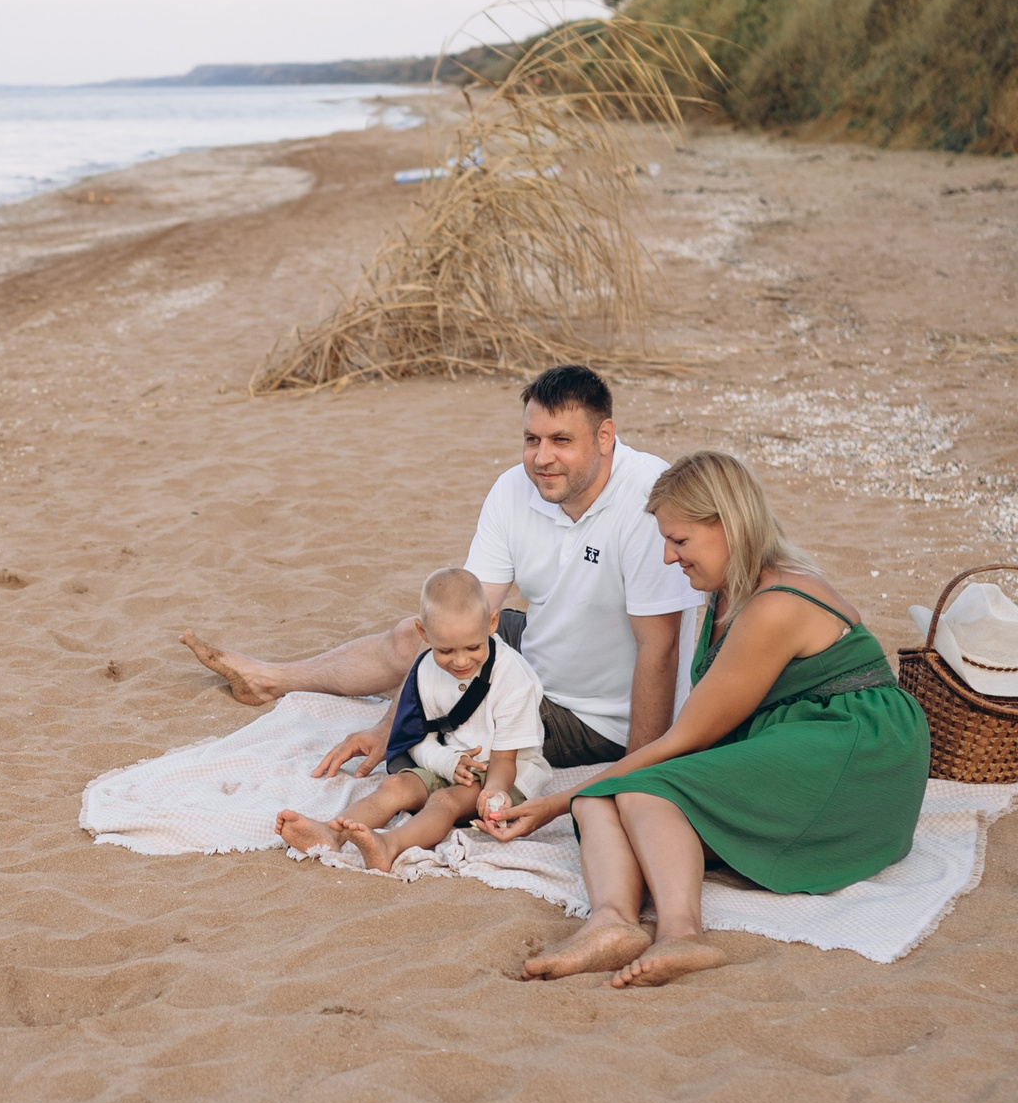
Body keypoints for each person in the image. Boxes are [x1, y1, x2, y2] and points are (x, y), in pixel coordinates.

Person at [480, 450, 930, 988]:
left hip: (855, 750)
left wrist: (550, 803)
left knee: (644, 791)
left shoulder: (775, 605)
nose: (669, 558)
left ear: (728, 526)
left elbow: (691, 735)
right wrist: (574, 797)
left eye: (680, 540)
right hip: (796, 735)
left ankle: (682, 935)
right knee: (599, 795)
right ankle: (613, 922)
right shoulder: (724, 594)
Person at [181, 365, 703, 779]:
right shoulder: (513, 489)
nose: (541, 458)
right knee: (425, 632)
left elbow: (660, 650)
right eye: (531, 440)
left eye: (561, 441)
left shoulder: (647, 498)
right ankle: (271, 679)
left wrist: (637, 774)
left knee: (443, 739)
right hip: (545, 647)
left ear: (605, 436)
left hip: (592, 714)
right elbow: (466, 611)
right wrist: (388, 723)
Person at [275, 569, 552, 872]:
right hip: (451, 762)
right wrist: (448, 762)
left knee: (444, 801)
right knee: (395, 785)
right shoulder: (424, 671)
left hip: (507, 776)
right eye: (445, 650)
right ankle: (332, 832)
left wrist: (492, 795)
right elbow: (419, 741)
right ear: (423, 633)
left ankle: (390, 844)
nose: (461, 661)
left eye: (473, 647)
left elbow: (505, 760)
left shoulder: (514, 677)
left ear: (492, 623)